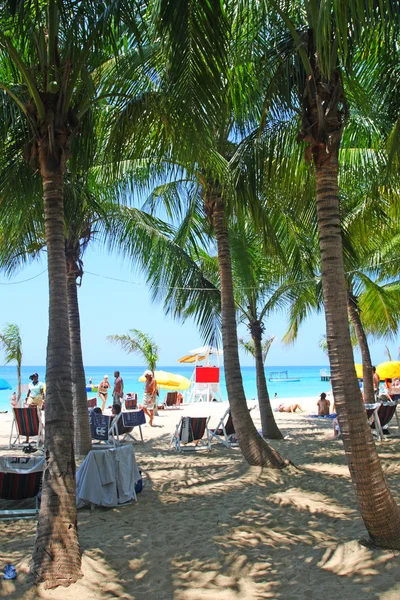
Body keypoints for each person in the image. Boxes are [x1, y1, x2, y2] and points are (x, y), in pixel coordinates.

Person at [24, 373, 45, 444]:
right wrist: (26, 398)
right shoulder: (30, 384)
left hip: (38, 397)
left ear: (37, 377)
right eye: (34, 377)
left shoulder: (40, 384)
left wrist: (43, 400)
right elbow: (29, 392)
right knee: (29, 407)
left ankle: (37, 413)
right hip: (32, 397)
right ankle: (32, 413)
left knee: (38, 411)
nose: (35, 378)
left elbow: (42, 393)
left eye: (36, 377)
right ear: (32, 378)